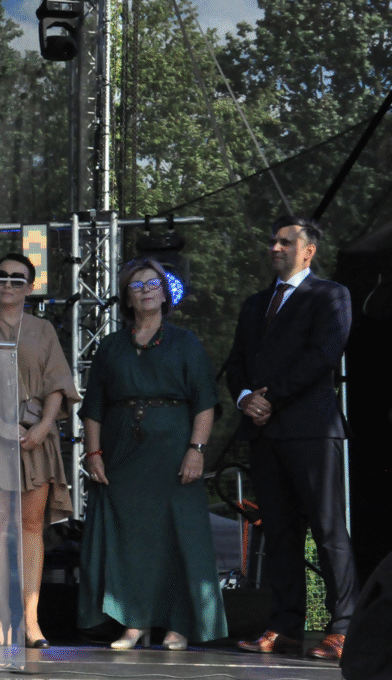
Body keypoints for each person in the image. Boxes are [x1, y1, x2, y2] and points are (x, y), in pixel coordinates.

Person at [227, 216, 358, 660]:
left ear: (309, 250)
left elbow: (324, 354)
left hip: (311, 431)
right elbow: (237, 363)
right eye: (272, 241)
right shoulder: (254, 304)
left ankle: (343, 627)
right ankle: (284, 625)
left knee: (327, 530)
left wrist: (270, 400)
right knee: (280, 533)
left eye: (286, 242)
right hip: (266, 435)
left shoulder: (330, 295)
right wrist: (246, 398)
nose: (275, 248)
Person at [78, 258, 226, 651]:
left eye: (152, 283)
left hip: (174, 451)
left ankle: (178, 624)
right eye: (136, 285)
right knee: (130, 539)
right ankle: (134, 621)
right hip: (122, 455)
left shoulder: (186, 342)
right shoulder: (111, 346)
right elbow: (92, 407)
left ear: (165, 292)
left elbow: (205, 403)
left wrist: (196, 450)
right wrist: (93, 453)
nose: (145, 290)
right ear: (126, 296)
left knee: (177, 537)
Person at [0, 253, 80, 648]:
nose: (7, 284)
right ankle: (1, 620)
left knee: (30, 528)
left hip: (33, 440)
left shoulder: (43, 330)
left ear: (29, 287)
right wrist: (0, 427)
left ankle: (31, 620)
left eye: (16, 279)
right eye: (1, 278)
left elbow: (58, 383)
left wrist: (42, 428)